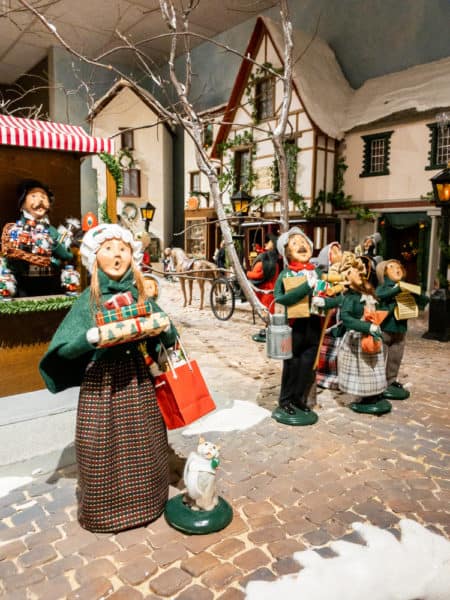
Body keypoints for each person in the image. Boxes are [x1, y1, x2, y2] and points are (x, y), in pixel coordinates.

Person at [39, 224, 177, 533]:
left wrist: (165, 329)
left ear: (132, 256)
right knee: (101, 446)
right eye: (108, 249)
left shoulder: (140, 296)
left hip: (138, 380)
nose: (117, 255)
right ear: (94, 257)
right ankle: (106, 511)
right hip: (101, 385)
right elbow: (62, 350)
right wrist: (87, 339)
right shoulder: (89, 301)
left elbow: (163, 341)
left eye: (123, 249)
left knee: (145, 441)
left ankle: (149, 502)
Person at [273, 227, 321, 423]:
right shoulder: (285, 275)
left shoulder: (317, 272)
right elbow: (280, 298)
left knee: (306, 367)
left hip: (313, 326)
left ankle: (299, 399)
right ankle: (285, 401)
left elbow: (331, 296)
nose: (301, 245)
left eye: (303, 242)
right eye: (295, 243)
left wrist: (328, 301)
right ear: (287, 252)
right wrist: (306, 286)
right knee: (291, 366)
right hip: (292, 328)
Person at [337, 257, 391, 414]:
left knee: (375, 367)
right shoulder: (349, 297)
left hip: (372, 337)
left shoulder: (368, 291)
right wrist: (367, 326)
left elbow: (376, 306)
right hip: (358, 339)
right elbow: (346, 319)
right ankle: (366, 396)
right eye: (350, 272)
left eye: (357, 271)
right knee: (363, 369)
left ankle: (376, 393)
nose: (356, 274)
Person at [2, 179, 73, 296]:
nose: (40, 200)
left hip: (48, 281)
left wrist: (54, 245)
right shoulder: (17, 228)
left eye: (44, 197)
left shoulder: (51, 231)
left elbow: (67, 255)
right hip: (23, 282)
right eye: (33, 196)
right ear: (22, 204)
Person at [375, 259, 429, 400]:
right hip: (385, 328)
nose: (397, 269)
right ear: (384, 272)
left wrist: (415, 293)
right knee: (381, 357)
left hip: (400, 329)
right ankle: (378, 382)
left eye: (399, 266)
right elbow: (379, 296)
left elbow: (424, 300)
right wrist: (397, 290)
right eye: (392, 267)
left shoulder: (405, 287)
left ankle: (391, 380)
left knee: (396, 356)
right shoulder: (383, 287)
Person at [246, 234, 279, 342]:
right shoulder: (270, 259)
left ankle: (268, 330)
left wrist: (248, 274)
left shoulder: (268, 260)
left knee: (266, 311)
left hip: (266, 290)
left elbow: (259, 274)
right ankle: (268, 329)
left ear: (273, 245)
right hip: (269, 289)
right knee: (268, 310)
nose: (266, 243)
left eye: (269, 242)